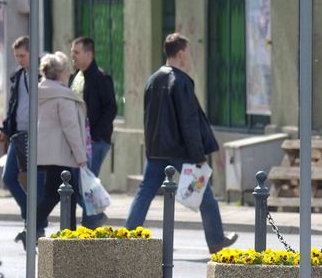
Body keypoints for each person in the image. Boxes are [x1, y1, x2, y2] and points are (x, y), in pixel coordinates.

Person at [126, 33, 238, 254]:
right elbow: (189, 122)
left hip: (156, 150)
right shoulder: (181, 82)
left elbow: (147, 119)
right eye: (187, 51)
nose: (188, 55)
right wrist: (198, 155)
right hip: (180, 150)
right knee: (205, 193)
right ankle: (216, 240)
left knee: (145, 192)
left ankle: (127, 237)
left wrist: (149, 148)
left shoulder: (152, 80)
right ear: (180, 53)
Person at [31, 52, 87, 245]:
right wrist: (81, 156)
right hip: (61, 154)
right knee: (62, 194)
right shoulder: (62, 96)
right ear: (61, 72)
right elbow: (71, 128)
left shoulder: (42, 92)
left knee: (61, 194)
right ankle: (38, 228)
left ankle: (67, 233)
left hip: (46, 153)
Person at [0, 36, 45, 248]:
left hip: (37, 135)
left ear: (31, 53)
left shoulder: (42, 75)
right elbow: (13, 105)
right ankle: (31, 215)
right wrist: (5, 129)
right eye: (16, 55)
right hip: (18, 135)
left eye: (22, 55)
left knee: (38, 183)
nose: (19, 59)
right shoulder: (18, 75)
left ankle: (36, 225)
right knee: (9, 177)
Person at [70, 36, 117, 227]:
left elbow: (111, 108)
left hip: (95, 141)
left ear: (89, 54)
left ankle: (91, 223)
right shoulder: (75, 77)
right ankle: (94, 218)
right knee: (76, 184)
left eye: (76, 52)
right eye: (72, 52)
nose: (72, 56)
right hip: (77, 141)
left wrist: (96, 135)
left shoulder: (100, 77)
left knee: (86, 184)